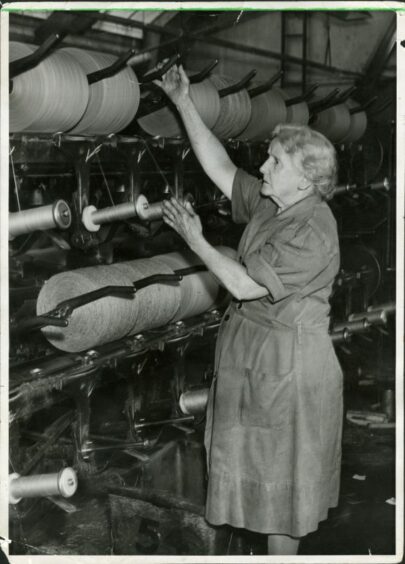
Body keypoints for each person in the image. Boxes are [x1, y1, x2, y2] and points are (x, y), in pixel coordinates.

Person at [156, 65, 343, 555]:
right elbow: (218, 166)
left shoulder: (313, 232)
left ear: (305, 181)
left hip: (290, 375)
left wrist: (196, 239)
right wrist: (183, 102)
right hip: (256, 366)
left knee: (284, 502)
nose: (262, 168)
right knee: (256, 490)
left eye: (275, 161)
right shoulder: (273, 203)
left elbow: (241, 285)